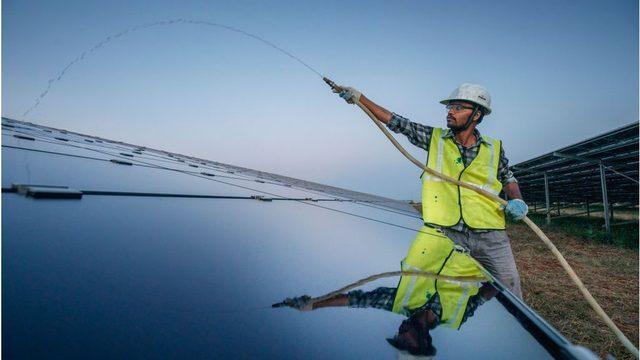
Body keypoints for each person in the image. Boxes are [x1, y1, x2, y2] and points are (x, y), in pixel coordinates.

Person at [332, 83, 527, 298]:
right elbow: (397, 122)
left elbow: (508, 177)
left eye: (459, 108)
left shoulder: (494, 148)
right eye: (449, 107)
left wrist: (517, 200)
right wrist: (360, 98)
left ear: (477, 115)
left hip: (490, 236)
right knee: (436, 291)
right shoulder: (435, 139)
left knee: (510, 289)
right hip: (446, 234)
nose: (450, 112)